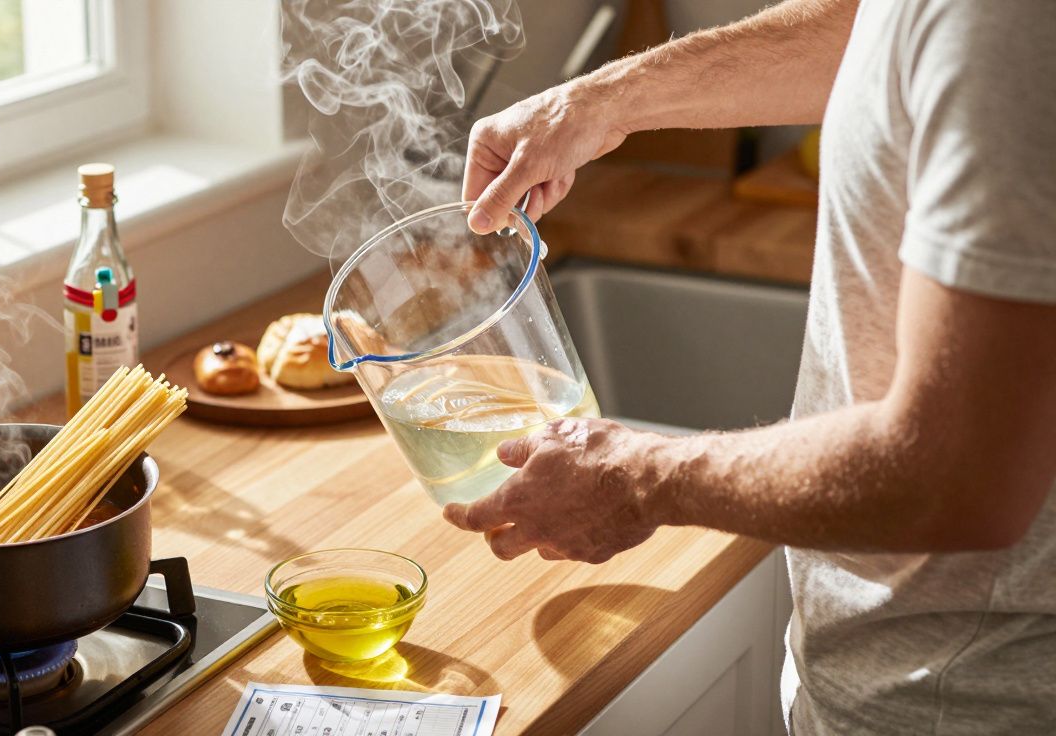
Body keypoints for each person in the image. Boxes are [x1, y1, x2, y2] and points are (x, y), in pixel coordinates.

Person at [446, 0, 1056, 733]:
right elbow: (870, 29)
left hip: (969, 701)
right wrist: (599, 104)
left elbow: (961, 472)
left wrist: (637, 479)